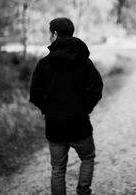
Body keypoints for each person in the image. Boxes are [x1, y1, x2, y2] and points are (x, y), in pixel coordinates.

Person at [29, 17, 103, 195]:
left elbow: (35, 94)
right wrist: (84, 108)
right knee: (87, 157)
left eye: (50, 33)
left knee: (57, 168)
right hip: (80, 124)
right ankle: (83, 191)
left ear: (54, 34)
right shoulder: (84, 62)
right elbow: (96, 88)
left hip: (55, 125)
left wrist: (48, 110)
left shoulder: (44, 64)